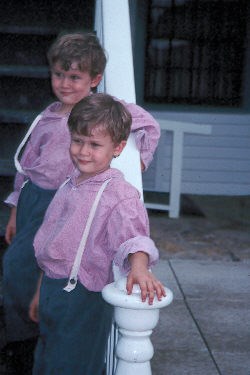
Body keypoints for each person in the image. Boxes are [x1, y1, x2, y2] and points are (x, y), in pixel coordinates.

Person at [2, 31, 160, 373]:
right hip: (41, 207)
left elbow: (148, 126)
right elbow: (27, 166)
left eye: (74, 76)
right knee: (17, 270)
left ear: (94, 79)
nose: (64, 83)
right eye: (59, 74)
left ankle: (28, 341)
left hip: (79, 252)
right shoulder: (48, 123)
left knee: (71, 352)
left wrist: (138, 161)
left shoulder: (103, 119)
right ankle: (22, 339)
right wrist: (16, 208)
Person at [28, 93, 165, 375]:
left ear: (118, 147)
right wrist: (40, 293)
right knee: (46, 360)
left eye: (94, 144)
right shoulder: (70, 183)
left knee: (74, 366)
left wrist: (139, 266)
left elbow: (134, 237)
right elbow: (50, 245)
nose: (83, 151)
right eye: (77, 141)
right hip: (52, 289)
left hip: (83, 298)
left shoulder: (118, 194)